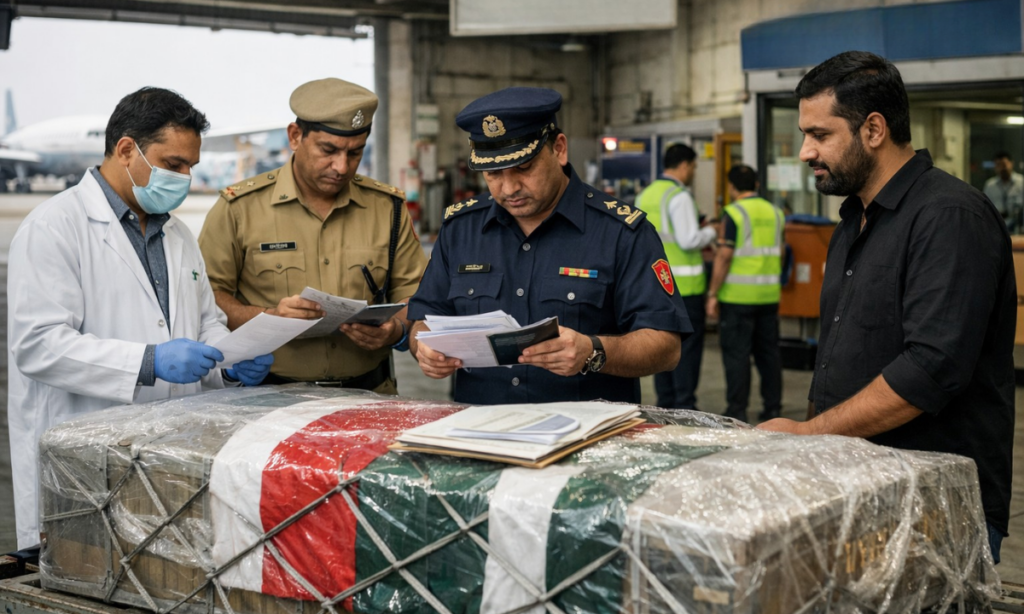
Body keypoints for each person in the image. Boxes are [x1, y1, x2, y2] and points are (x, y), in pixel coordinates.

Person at [759, 51, 1015, 565]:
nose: (806, 151)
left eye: (820, 134)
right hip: (858, 490)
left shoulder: (948, 215)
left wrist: (809, 436)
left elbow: (931, 368)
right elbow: (836, 355)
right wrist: (812, 460)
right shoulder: (853, 220)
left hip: (936, 506)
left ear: (873, 129)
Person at [7, 87, 274, 550]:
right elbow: (39, 346)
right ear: (127, 149)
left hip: (170, 459)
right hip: (84, 462)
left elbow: (205, 321)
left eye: (190, 166)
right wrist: (148, 361)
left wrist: (228, 360)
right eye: (173, 164)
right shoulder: (54, 227)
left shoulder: (178, 234)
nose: (186, 178)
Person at [408, 87, 691, 404]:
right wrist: (424, 347)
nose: (510, 187)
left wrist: (594, 351)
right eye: (493, 173)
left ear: (559, 149)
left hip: (585, 441)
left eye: (524, 168)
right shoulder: (461, 229)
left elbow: (666, 347)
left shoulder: (621, 233)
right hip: (480, 434)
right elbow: (423, 319)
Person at [199, 78, 427, 392]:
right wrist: (269, 317)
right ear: (295, 136)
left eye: (355, 153)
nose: (341, 166)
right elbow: (206, 296)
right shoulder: (239, 209)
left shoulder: (388, 208)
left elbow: (415, 294)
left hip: (368, 396)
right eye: (328, 150)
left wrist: (395, 329)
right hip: (266, 399)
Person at [635, 143, 716, 409]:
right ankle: (685, 407)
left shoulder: (645, 195)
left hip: (656, 287)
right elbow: (689, 239)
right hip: (686, 288)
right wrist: (712, 232)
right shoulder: (679, 196)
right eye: (693, 166)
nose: (692, 171)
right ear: (683, 165)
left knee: (659, 349)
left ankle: (665, 406)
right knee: (687, 353)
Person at [705, 165, 784, 423]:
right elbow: (781, 252)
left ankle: (737, 410)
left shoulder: (734, 213)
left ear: (731, 187)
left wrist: (713, 293)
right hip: (769, 296)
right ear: (758, 184)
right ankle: (773, 408)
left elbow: (725, 256)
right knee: (769, 355)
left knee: (737, 356)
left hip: (737, 298)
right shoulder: (776, 212)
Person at [983, 151, 1023, 233]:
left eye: (1004, 164)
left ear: (1011, 163)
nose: (1002, 168)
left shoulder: (1021, 182)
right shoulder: (990, 185)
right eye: (998, 165)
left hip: (1018, 227)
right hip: (996, 228)